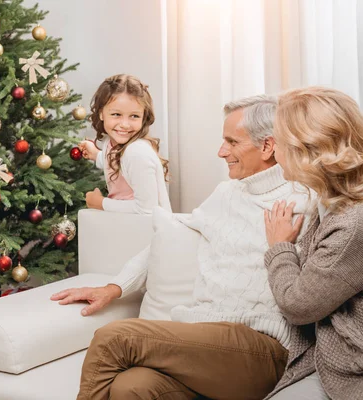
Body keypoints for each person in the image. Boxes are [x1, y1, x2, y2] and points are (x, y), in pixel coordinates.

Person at [54, 94, 313, 399]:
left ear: (268, 146)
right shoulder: (226, 194)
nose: (221, 152)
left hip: (262, 346)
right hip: (206, 338)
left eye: (231, 142)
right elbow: (170, 240)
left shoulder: (305, 201)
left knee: (114, 338)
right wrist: (113, 288)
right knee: (132, 387)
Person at [263, 86, 363, 400]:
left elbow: (298, 305)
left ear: (304, 149)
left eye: (278, 139)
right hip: (347, 358)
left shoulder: (359, 220)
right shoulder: (335, 203)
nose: (273, 148)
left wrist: (279, 248)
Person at [79, 74, 171, 214]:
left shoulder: (136, 152)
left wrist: (100, 203)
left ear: (143, 117)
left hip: (148, 232)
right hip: (129, 228)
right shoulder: (113, 144)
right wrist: (96, 155)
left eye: (134, 116)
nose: (125, 125)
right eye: (116, 114)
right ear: (101, 114)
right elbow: (118, 163)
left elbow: (147, 209)